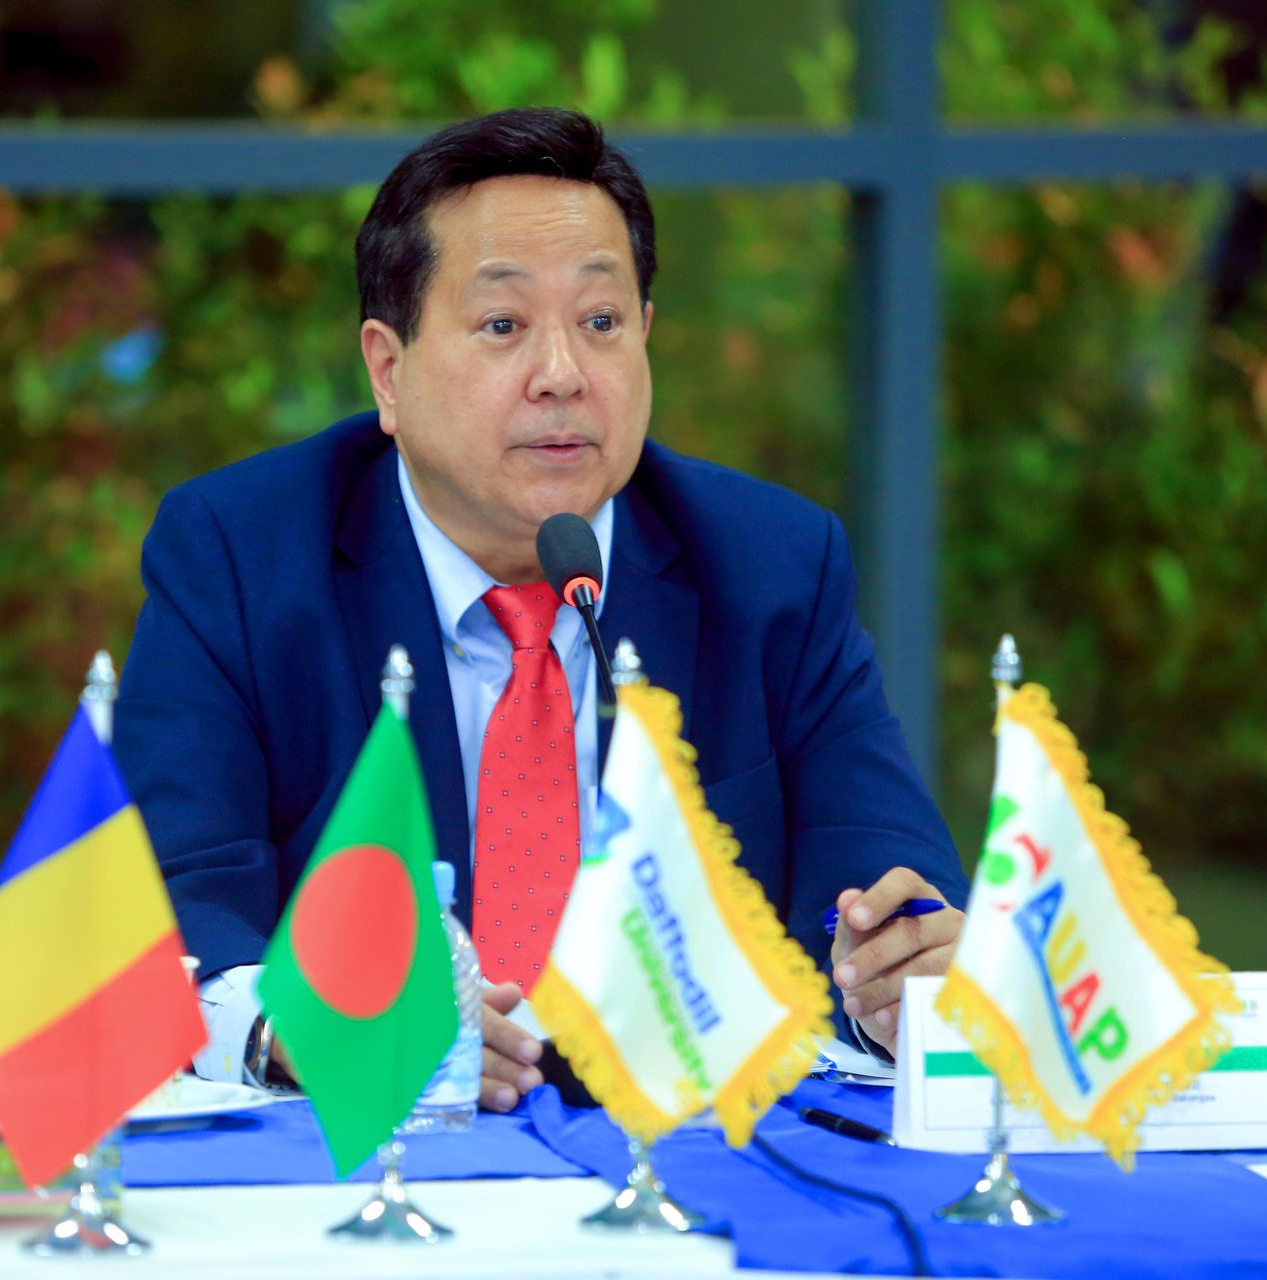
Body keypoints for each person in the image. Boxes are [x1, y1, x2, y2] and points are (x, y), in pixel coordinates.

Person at [113, 107, 969, 1112]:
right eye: (504, 326)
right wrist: (295, 1026)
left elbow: (882, 889)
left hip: (691, 1152)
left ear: (645, 338)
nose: (562, 375)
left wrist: (896, 987)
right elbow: (173, 900)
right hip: (382, 1154)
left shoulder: (772, 566)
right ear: (389, 369)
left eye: (601, 323)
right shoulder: (243, 557)